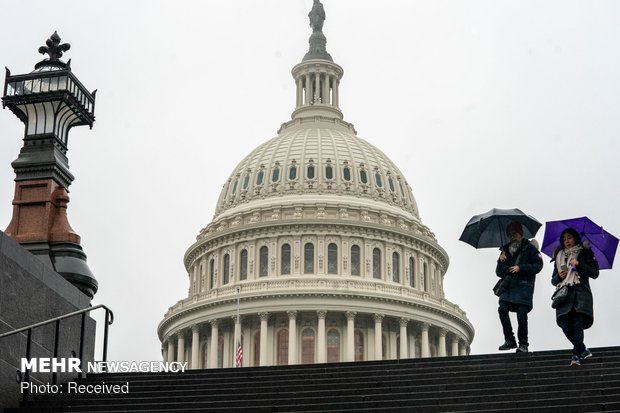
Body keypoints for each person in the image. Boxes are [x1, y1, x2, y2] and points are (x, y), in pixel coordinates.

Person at [551, 228, 599, 366]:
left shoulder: (585, 253)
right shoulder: (559, 255)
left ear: (576, 239)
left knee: (578, 324)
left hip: (580, 293)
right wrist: (558, 276)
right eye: (564, 238)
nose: (567, 241)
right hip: (564, 294)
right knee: (565, 326)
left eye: (569, 238)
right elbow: (553, 280)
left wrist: (579, 265)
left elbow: (595, 273)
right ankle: (583, 350)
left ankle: (575, 356)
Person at [496, 221, 543, 353]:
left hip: (524, 286)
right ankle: (510, 339)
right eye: (510, 234)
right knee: (502, 309)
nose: (512, 236)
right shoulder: (504, 251)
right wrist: (501, 261)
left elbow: (538, 266)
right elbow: (498, 272)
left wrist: (520, 268)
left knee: (521, 315)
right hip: (509, 286)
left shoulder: (530, 248)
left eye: (514, 233)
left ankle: (523, 344)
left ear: (520, 233)